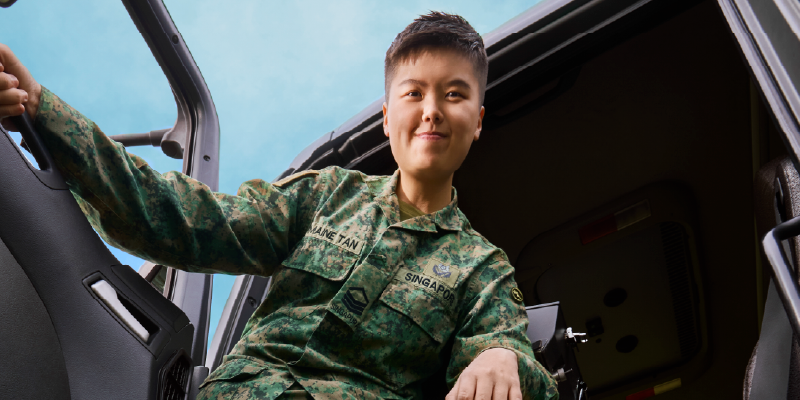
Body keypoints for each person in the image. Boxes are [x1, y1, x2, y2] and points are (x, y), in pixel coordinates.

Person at [0, 12, 558, 400]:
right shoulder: (323, 196)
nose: (432, 110)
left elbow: (511, 358)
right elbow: (182, 218)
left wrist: (502, 360)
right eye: (414, 92)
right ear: (388, 115)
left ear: (478, 120)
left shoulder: (482, 270)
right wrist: (43, 111)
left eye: (455, 94)